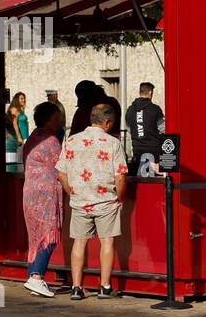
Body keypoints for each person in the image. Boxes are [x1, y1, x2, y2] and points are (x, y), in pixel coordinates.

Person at [56, 103, 127, 301]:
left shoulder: (71, 140)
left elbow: (61, 174)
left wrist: (71, 192)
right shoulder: (113, 143)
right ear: (107, 122)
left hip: (80, 201)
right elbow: (120, 177)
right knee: (107, 242)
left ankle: (76, 287)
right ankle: (104, 287)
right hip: (106, 201)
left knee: (79, 243)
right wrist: (119, 197)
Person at [22, 102, 65, 298]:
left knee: (36, 235)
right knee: (49, 235)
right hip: (46, 194)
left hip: (30, 192)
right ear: (48, 120)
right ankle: (37, 276)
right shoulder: (52, 141)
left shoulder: (33, 138)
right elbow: (62, 167)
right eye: (57, 118)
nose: (60, 122)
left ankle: (33, 275)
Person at [124, 82, 165, 176]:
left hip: (137, 150)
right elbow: (163, 129)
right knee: (151, 179)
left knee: (141, 179)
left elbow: (129, 129)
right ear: (150, 92)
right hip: (154, 151)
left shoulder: (130, 110)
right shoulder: (155, 109)